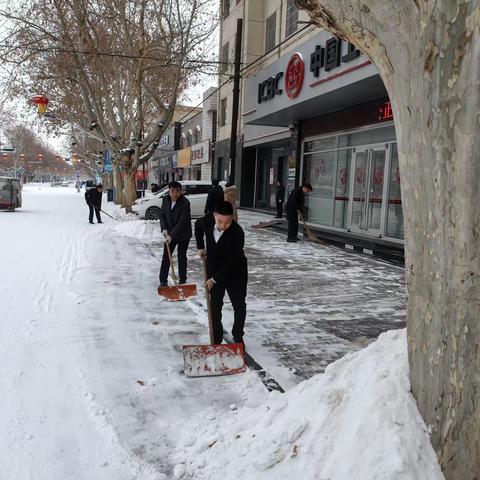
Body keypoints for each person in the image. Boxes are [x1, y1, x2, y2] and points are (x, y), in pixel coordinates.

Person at [195, 201, 248, 346]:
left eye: (228, 222)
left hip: (235, 272)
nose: (223, 225)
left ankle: (238, 336)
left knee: (239, 305)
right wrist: (200, 247)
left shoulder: (237, 233)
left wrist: (214, 279)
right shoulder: (206, 221)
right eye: (220, 221)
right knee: (215, 306)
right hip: (214, 269)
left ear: (232, 218)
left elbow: (232, 261)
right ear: (214, 216)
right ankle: (216, 339)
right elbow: (197, 227)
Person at [159, 181, 192, 286]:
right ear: (169, 191)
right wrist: (164, 228)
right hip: (169, 233)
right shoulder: (165, 199)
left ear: (180, 191)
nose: (174, 194)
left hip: (183, 234)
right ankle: (163, 280)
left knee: (182, 256)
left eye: (177, 191)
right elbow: (162, 215)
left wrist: (171, 235)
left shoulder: (185, 203)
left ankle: (182, 279)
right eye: (172, 191)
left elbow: (181, 222)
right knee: (166, 256)